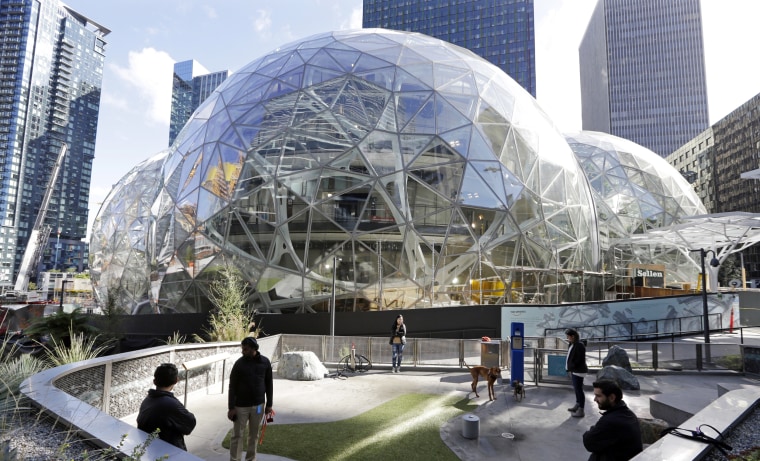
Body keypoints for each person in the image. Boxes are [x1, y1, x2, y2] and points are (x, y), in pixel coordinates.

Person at [228, 336, 274, 461]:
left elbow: (269, 384)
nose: (243, 352)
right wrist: (231, 407)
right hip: (240, 407)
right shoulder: (239, 364)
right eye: (242, 349)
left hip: (259, 406)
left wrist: (269, 404)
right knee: (237, 435)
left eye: (246, 349)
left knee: (254, 435)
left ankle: (251, 459)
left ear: (254, 349)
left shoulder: (265, 362)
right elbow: (232, 387)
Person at [136, 363, 197, 450]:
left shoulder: (147, 400)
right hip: (167, 453)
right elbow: (190, 423)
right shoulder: (170, 404)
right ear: (176, 380)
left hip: (149, 449)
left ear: (154, 381)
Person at [582, 380, 643, 461]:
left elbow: (588, 442)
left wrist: (593, 429)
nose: (595, 399)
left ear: (612, 398)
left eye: (598, 396)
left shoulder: (611, 421)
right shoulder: (627, 413)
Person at [565, 328, 588, 417]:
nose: (567, 338)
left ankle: (581, 409)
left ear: (573, 336)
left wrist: (572, 366)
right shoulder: (572, 344)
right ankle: (578, 405)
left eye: (568, 336)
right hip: (574, 371)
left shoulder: (579, 345)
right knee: (576, 389)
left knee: (579, 390)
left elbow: (579, 359)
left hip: (578, 371)